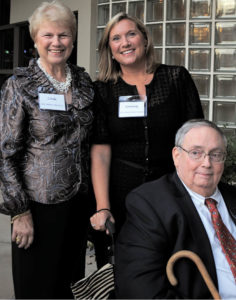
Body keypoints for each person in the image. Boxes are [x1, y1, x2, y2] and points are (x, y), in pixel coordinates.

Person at [0, 1, 94, 299]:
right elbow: (5, 153)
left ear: (73, 38)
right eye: (48, 35)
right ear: (36, 38)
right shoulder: (20, 86)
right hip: (38, 209)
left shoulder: (82, 81)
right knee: (37, 288)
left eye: (64, 35)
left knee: (71, 286)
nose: (57, 42)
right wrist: (20, 212)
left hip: (78, 204)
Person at [90, 12, 204, 237]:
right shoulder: (102, 90)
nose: (125, 43)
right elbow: (101, 153)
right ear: (109, 49)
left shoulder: (176, 79)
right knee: (125, 266)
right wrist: (103, 206)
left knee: (172, 263)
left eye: (131, 34)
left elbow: (197, 139)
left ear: (144, 39)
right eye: (116, 38)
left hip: (173, 190)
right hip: (121, 194)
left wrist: (197, 193)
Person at [115, 119, 236, 299]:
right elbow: (140, 288)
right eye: (196, 153)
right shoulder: (149, 204)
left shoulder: (233, 196)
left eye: (216, 155)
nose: (207, 163)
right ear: (176, 156)